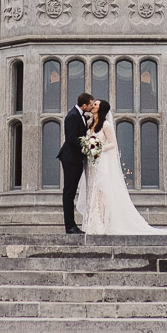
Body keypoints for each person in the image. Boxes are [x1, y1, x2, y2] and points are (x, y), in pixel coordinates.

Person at [79, 98, 167, 235]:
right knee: (93, 192)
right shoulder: (91, 123)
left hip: (101, 163)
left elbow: (113, 144)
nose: (93, 106)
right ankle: (92, 223)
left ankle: (102, 223)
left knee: (102, 193)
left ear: (101, 109)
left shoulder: (106, 125)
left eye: (96, 104)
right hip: (92, 164)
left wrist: (98, 148)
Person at [57, 91, 93, 234]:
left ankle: (72, 226)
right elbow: (72, 139)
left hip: (76, 159)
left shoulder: (80, 115)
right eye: (90, 105)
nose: (91, 107)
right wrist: (89, 147)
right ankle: (70, 227)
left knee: (71, 192)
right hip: (70, 159)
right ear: (84, 105)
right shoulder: (72, 116)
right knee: (69, 193)